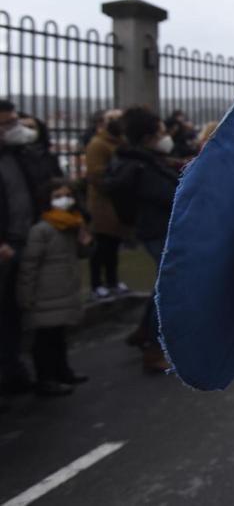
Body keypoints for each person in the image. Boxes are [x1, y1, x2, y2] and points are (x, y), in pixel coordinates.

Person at [106, 108, 180, 373]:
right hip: (157, 230)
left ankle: (143, 331)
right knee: (169, 287)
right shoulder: (142, 166)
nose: (165, 136)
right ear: (148, 136)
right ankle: (153, 346)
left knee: (162, 284)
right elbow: (170, 195)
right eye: (160, 132)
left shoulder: (141, 160)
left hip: (152, 230)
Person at [16, 179, 92, 396]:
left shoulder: (73, 225)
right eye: (57, 196)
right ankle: (46, 379)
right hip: (44, 295)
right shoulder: (42, 230)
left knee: (59, 336)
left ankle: (62, 371)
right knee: (44, 341)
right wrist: (26, 296)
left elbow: (82, 253)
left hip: (63, 291)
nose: (64, 200)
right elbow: (29, 266)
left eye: (67, 195)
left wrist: (85, 242)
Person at [1, 100, 41, 396]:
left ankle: (16, 372)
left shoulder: (17, 155)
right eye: (7, 124)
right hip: (5, 246)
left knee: (16, 313)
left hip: (23, 240)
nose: (15, 128)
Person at [84, 109, 127, 300]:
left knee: (112, 246)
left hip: (116, 203)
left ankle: (112, 281)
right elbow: (95, 175)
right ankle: (96, 284)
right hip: (103, 204)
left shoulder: (118, 143)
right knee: (101, 246)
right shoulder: (98, 144)